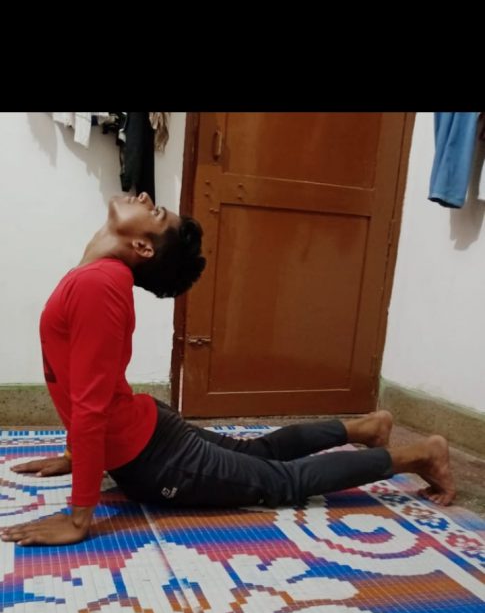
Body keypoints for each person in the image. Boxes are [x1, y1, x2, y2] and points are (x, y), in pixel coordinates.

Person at [1, 192, 455, 547]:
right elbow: (80, 384)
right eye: (156, 209)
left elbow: (90, 402)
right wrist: (75, 456)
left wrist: (79, 517)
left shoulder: (99, 284)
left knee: (282, 482)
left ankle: (418, 456)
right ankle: (365, 428)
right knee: (258, 453)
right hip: (145, 431)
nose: (143, 198)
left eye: (154, 211)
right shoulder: (98, 278)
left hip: (154, 459)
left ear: (141, 246)